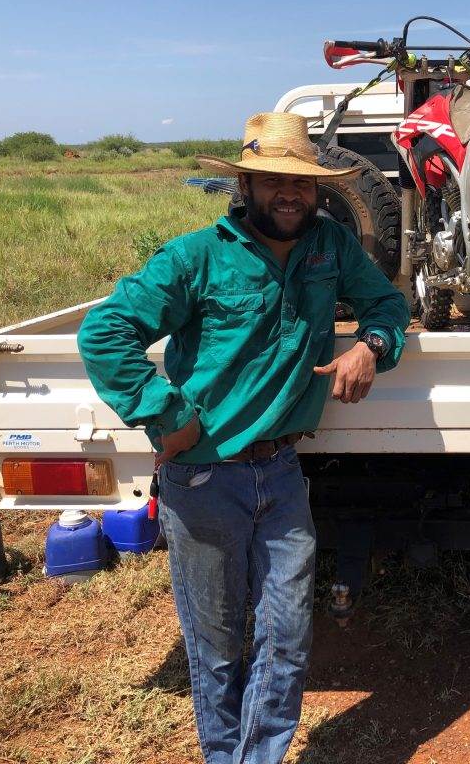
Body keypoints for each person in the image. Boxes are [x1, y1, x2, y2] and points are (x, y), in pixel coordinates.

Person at [78, 112, 411, 764]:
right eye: (271, 182)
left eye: (301, 184)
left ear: (318, 191)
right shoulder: (195, 257)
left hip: (283, 476)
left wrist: (371, 346)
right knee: (216, 645)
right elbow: (106, 331)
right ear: (246, 185)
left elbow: (386, 304)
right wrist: (165, 413)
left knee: (286, 639)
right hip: (203, 479)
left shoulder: (329, 248)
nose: (288, 195)